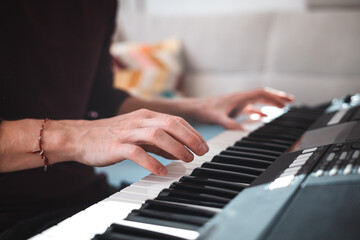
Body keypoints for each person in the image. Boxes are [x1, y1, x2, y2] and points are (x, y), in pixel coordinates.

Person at [0, 0, 293, 239]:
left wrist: (201, 107)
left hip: (84, 195)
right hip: (13, 217)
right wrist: (73, 137)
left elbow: (101, 99)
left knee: (260, 214)